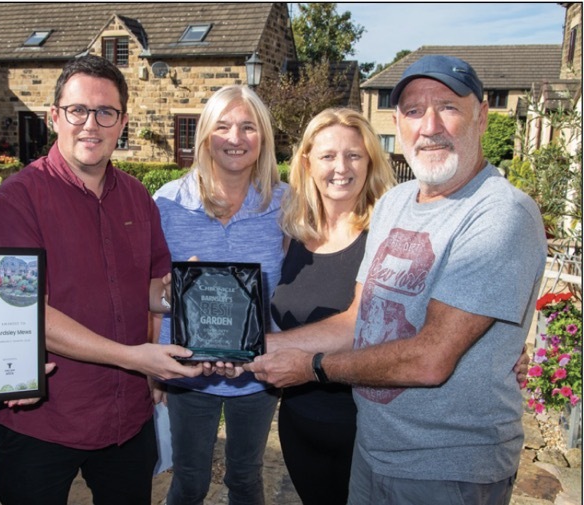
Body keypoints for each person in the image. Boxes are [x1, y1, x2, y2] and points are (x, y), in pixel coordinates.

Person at [246, 55, 547, 505]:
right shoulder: (397, 203)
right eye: (412, 111)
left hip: (446, 467)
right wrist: (252, 349)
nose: (429, 126)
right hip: (375, 448)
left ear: (481, 116)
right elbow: (357, 319)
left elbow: (430, 358)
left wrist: (311, 367)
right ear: (397, 124)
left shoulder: (500, 213)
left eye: (447, 106)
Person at [0, 54, 203, 505]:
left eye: (105, 112)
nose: (91, 124)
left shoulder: (138, 197)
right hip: (44, 418)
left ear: (121, 122)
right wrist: (135, 357)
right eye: (77, 110)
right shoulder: (16, 200)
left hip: (125, 417)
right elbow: (26, 313)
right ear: (54, 117)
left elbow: (147, 291)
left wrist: (188, 292)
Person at [153, 84, 286, 505]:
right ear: (205, 135)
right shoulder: (167, 203)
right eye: (223, 126)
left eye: (248, 127)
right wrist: (152, 366)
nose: (235, 138)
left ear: (262, 138)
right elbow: (152, 290)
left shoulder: (286, 205)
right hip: (189, 371)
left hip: (256, 372)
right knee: (189, 478)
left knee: (246, 478)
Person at [271, 108, 395, 505]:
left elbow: (357, 322)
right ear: (307, 162)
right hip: (298, 424)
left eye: (353, 155)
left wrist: (253, 350)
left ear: (370, 161)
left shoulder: (386, 235)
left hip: (364, 433)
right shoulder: (292, 234)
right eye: (327, 156)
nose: (340, 167)